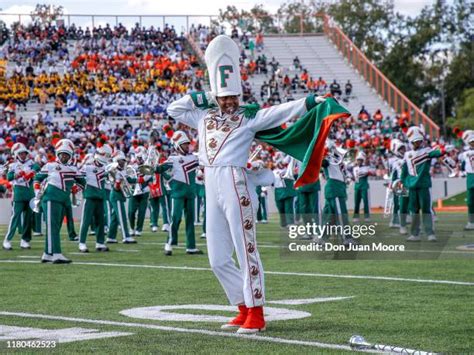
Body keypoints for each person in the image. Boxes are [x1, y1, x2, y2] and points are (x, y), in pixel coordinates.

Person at [167, 35, 329, 334]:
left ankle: (256, 312)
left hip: (234, 181)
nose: (229, 102)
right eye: (224, 97)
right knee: (216, 257)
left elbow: (278, 111)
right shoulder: (203, 116)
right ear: (216, 96)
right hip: (210, 182)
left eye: (233, 97)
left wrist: (308, 102)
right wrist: (203, 95)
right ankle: (241, 307)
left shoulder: (248, 118)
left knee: (246, 249)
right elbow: (173, 110)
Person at [34, 139, 86, 263]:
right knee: (52, 226)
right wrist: (37, 192)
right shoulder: (50, 165)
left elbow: (83, 183)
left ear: (70, 156)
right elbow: (37, 178)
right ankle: (56, 254)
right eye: (62, 154)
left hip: (63, 200)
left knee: (55, 227)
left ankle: (47, 254)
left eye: (66, 154)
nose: (64, 156)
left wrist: (75, 188)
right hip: (51, 198)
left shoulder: (73, 168)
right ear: (58, 154)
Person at [399, 126, 446, 242]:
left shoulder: (427, 151)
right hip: (412, 187)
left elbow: (439, 153)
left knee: (426, 209)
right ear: (411, 142)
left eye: (419, 141)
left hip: (424, 185)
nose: (417, 143)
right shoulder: (407, 155)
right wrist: (403, 183)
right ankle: (415, 234)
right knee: (413, 210)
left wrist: (441, 148)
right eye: (415, 141)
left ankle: (430, 233)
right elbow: (404, 172)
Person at [163, 131, 203, 256]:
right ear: (177, 146)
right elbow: (161, 169)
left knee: (190, 221)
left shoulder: (194, 157)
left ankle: (191, 247)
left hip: (190, 193)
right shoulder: (172, 159)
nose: (187, 146)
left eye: (187, 144)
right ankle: (169, 243)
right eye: (184, 144)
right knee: (176, 219)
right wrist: (152, 168)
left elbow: (205, 164)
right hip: (177, 194)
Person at [3, 143, 40, 250]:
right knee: (15, 217)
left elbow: (37, 167)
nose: (23, 155)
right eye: (21, 153)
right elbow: (9, 177)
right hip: (18, 194)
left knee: (28, 218)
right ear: (16, 154)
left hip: (29, 193)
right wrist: (19, 174)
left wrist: (31, 172)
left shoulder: (31, 163)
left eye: (24, 153)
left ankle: (25, 240)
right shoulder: (13, 165)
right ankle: (7, 240)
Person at [78, 144, 112, 252]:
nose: (107, 157)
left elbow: (111, 179)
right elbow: (78, 177)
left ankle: (100, 242)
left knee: (100, 221)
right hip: (90, 197)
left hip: (100, 197)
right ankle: (82, 242)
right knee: (86, 221)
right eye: (106, 155)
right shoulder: (87, 166)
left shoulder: (106, 167)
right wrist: (83, 189)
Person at [106, 151, 137, 244]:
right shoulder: (112, 171)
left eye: (123, 160)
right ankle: (126, 236)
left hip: (119, 195)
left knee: (115, 218)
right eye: (120, 161)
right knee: (122, 216)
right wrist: (118, 181)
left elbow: (130, 180)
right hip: (116, 195)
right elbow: (115, 186)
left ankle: (111, 237)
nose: (122, 162)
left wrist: (141, 178)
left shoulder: (122, 170)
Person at [352, 151, 374, 222]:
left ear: (362, 161)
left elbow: (372, 172)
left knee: (366, 202)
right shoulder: (354, 168)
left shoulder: (366, 167)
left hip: (364, 187)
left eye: (360, 160)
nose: (359, 161)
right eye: (358, 160)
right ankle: (356, 216)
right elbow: (353, 176)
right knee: (356, 202)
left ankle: (367, 216)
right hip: (357, 187)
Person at [460, 130, 474, 230]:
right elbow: (462, 167)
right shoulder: (465, 154)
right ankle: (471, 222)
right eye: (471, 142)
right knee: (470, 202)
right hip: (470, 179)